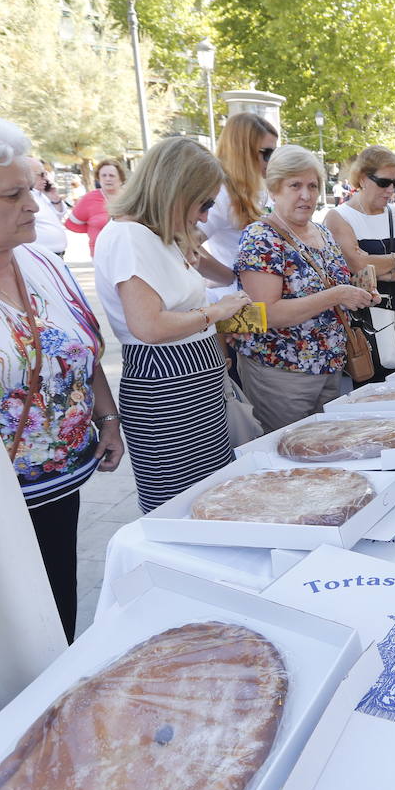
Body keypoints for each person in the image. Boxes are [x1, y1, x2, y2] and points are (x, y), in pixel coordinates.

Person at [0, 114, 124, 641]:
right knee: (5, 628)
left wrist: (108, 417)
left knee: (60, 599)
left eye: (31, 189)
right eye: (11, 196)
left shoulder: (42, 263)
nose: (33, 205)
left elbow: (86, 348)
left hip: (62, 481)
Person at [93, 137, 251, 513]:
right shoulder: (129, 236)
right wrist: (216, 313)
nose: (203, 217)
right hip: (168, 392)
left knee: (210, 500)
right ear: (175, 191)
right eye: (205, 204)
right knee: (179, 508)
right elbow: (149, 325)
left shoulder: (154, 235)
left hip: (192, 385)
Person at [234, 146, 380, 431]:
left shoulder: (321, 231)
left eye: (312, 185)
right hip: (283, 373)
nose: (306, 195)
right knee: (289, 455)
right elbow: (267, 313)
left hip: (330, 366)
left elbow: (336, 284)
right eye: (295, 185)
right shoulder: (261, 237)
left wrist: (357, 293)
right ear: (274, 190)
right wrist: (337, 295)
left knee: (321, 448)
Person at [325, 145, 395, 381]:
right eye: (384, 182)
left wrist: (383, 273)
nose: (391, 190)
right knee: (373, 396)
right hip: (368, 321)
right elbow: (358, 266)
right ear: (363, 178)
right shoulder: (340, 216)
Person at [200, 112, 279, 300]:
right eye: (267, 153)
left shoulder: (259, 186)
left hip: (267, 295)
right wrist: (228, 276)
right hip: (241, 304)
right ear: (243, 151)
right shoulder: (221, 194)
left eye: (275, 152)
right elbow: (185, 244)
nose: (272, 160)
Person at [65, 158, 125, 256]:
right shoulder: (89, 198)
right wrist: (92, 229)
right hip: (101, 253)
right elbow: (71, 224)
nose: (107, 179)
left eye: (112, 175)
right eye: (103, 176)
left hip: (128, 251)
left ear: (120, 178)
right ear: (99, 178)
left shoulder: (131, 197)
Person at [28, 157, 69, 257]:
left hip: (56, 255)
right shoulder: (25, 197)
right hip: (39, 256)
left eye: (45, 174)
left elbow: (59, 216)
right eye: (41, 174)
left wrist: (55, 199)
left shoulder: (42, 195)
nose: (45, 178)